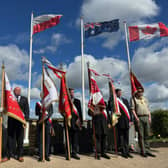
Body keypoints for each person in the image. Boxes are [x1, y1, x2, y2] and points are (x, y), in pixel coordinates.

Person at [131, 87, 156, 157]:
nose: (140, 93)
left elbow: (148, 108)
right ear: (137, 92)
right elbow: (132, 109)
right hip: (139, 117)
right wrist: (136, 118)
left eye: (141, 91)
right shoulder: (134, 99)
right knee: (141, 135)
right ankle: (143, 151)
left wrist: (150, 117)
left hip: (146, 117)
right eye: (139, 91)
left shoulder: (145, 99)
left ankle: (148, 150)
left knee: (147, 134)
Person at [7, 87, 29, 162]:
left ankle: (20, 155)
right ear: (14, 91)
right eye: (16, 90)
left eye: (19, 90)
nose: (18, 91)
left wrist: (25, 121)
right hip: (11, 121)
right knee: (10, 138)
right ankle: (8, 155)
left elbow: (27, 110)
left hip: (20, 122)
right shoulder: (10, 98)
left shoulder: (24, 99)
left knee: (20, 139)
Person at [115, 89, 133, 158]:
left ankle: (127, 151)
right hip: (120, 121)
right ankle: (123, 152)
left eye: (120, 92)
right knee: (121, 138)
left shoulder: (125, 100)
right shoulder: (115, 101)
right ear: (116, 93)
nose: (120, 93)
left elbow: (129, 110)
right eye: (119, 92)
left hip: (126, 121)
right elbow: (111, 108)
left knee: (126, 137)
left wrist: (131, 120)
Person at [35, 97, 54, 162]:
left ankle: (46, 155)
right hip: (40, 123)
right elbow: (36, 113)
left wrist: (46, 116)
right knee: (41, 140)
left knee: (47, 140)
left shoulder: (49, 103)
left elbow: (51, 112)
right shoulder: (38, 103)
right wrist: (41, 111)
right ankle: (41, 156)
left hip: (48, 123)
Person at [68, 88, 83, 160]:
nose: (72, 93)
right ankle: (68, 152)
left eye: (73, 92)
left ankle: (74, 153)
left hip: (76, 122)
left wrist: (81, 122)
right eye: (71, 92)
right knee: (68, 138)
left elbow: (80, 112)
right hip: (68, 122)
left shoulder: (77, 101)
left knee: (75, 139)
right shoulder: (66, 101)